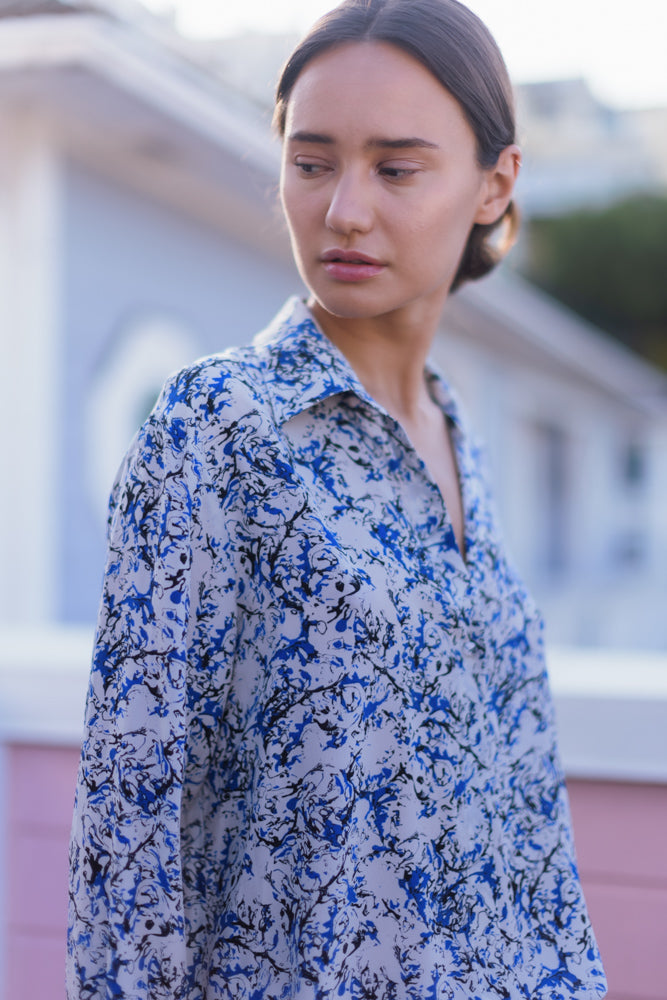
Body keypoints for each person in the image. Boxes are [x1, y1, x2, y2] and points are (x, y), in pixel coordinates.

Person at [67, 1, 607, 997]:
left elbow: (527, 826)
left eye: (395, 168)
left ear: (495, 185)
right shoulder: (220, 422)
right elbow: (129, 830)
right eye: (311, 163)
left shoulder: (462, 447)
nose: (344, 210)